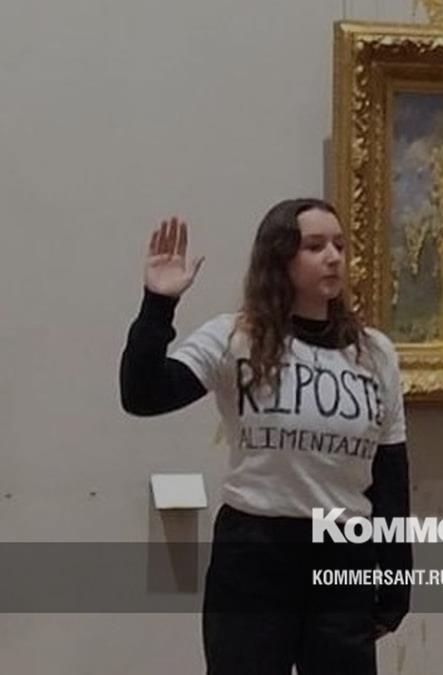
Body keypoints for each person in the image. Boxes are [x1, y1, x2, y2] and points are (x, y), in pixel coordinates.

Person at [120, 199, 411, 674]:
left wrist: (396, 578)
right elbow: (142, 394)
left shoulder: (375, 353)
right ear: (280, 257)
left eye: (339, 245)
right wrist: (158, 304)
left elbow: (391, 476)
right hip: (255, 551)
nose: (333, 257)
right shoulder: (236, 337)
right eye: (314, 246)